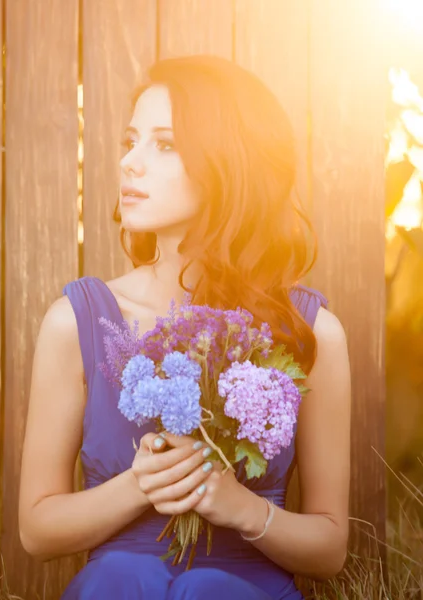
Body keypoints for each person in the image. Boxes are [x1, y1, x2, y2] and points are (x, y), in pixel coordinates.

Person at [18, 54, 351, 599]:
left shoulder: (310, 333)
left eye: (164, 145)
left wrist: (245, 510)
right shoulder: (78, 322)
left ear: (228, 165)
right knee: (124, 578)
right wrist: (140, 486)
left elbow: (330, 548)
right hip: (118, 588)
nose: (130, 162)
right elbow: (36, 529)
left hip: (245, 588)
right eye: (131, 141)